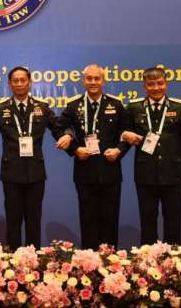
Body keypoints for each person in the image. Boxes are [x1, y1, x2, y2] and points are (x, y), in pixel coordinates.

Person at [0, 66, 74, 249]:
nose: (19, 84)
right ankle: (13, 260)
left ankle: (33, 258)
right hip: (11, 173)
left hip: (36, 172)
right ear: (10, 84)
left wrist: (67, 135)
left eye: (23, 80)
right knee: (13, 220)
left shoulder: (42, 108)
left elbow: (59, 127)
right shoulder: (0, 109)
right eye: (15, 81)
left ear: (30, 83)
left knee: (34, 220)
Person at [59, 64, 132, 249]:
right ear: (83, 81)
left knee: (110, 219)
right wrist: (75, 148)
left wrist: (119, 150)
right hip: (85, 172)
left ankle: (110, 260)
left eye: (97, 78)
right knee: (88, 219)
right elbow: (60, 128)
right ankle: (89, 260)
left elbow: (127, 133)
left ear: (103, 81)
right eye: (89, 78)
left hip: (110, 171)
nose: (93, 82)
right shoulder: (73, 105)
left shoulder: (115, 104)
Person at [122, 66, 181, 245]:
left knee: (173, 220)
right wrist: (124, 135)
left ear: (166, 84)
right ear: (144, 86)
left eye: (160, 83)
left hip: (173, 173)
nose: (156, 88)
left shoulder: (178, 107)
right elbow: (124, 134)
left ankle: (173, 258)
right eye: (151, 84)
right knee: (147, 220)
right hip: (145, 174)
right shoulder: (134, 107)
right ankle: (148, 259)